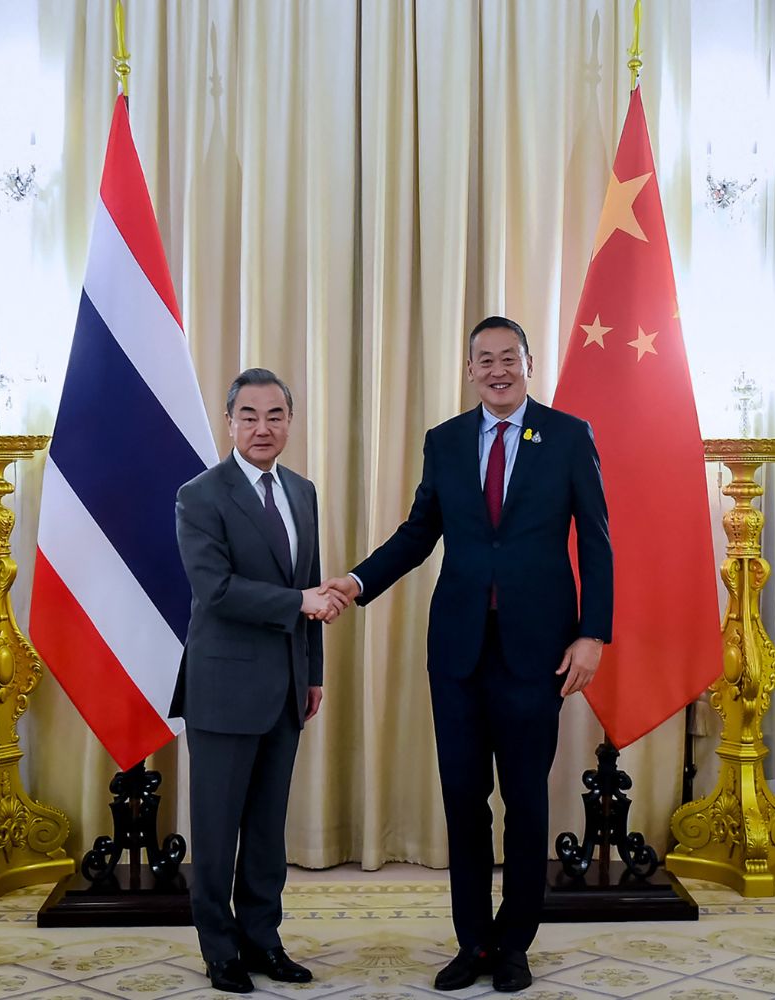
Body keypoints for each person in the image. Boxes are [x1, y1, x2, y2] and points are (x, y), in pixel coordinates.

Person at [321, 316, 613, 993]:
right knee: (462, 801)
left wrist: (593, 633)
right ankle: (473, 943)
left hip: (538, 651)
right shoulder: (446, 441)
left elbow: (596, 541)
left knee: (526, 801)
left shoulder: (568, 436)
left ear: (528, 364)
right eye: (485, 360)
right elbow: (420, 532)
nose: (498, 369)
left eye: (509, 357)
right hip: (457, 652)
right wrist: (358, 580)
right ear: (470, 370)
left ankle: (515, 945)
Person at [171, 368, 343, 995]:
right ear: (230, 421)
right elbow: (214, 590)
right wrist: (298, 604)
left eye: (275, 416)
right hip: (223, 690)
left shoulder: (303, 491)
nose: (262, 428)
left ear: (290, 423)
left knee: (268, 832)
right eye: (249, 416)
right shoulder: (201, 494)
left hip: (288, 689)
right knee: (217, 831)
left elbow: (315, 584)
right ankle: (219, 950)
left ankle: (263, 939)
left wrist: (314, 671)